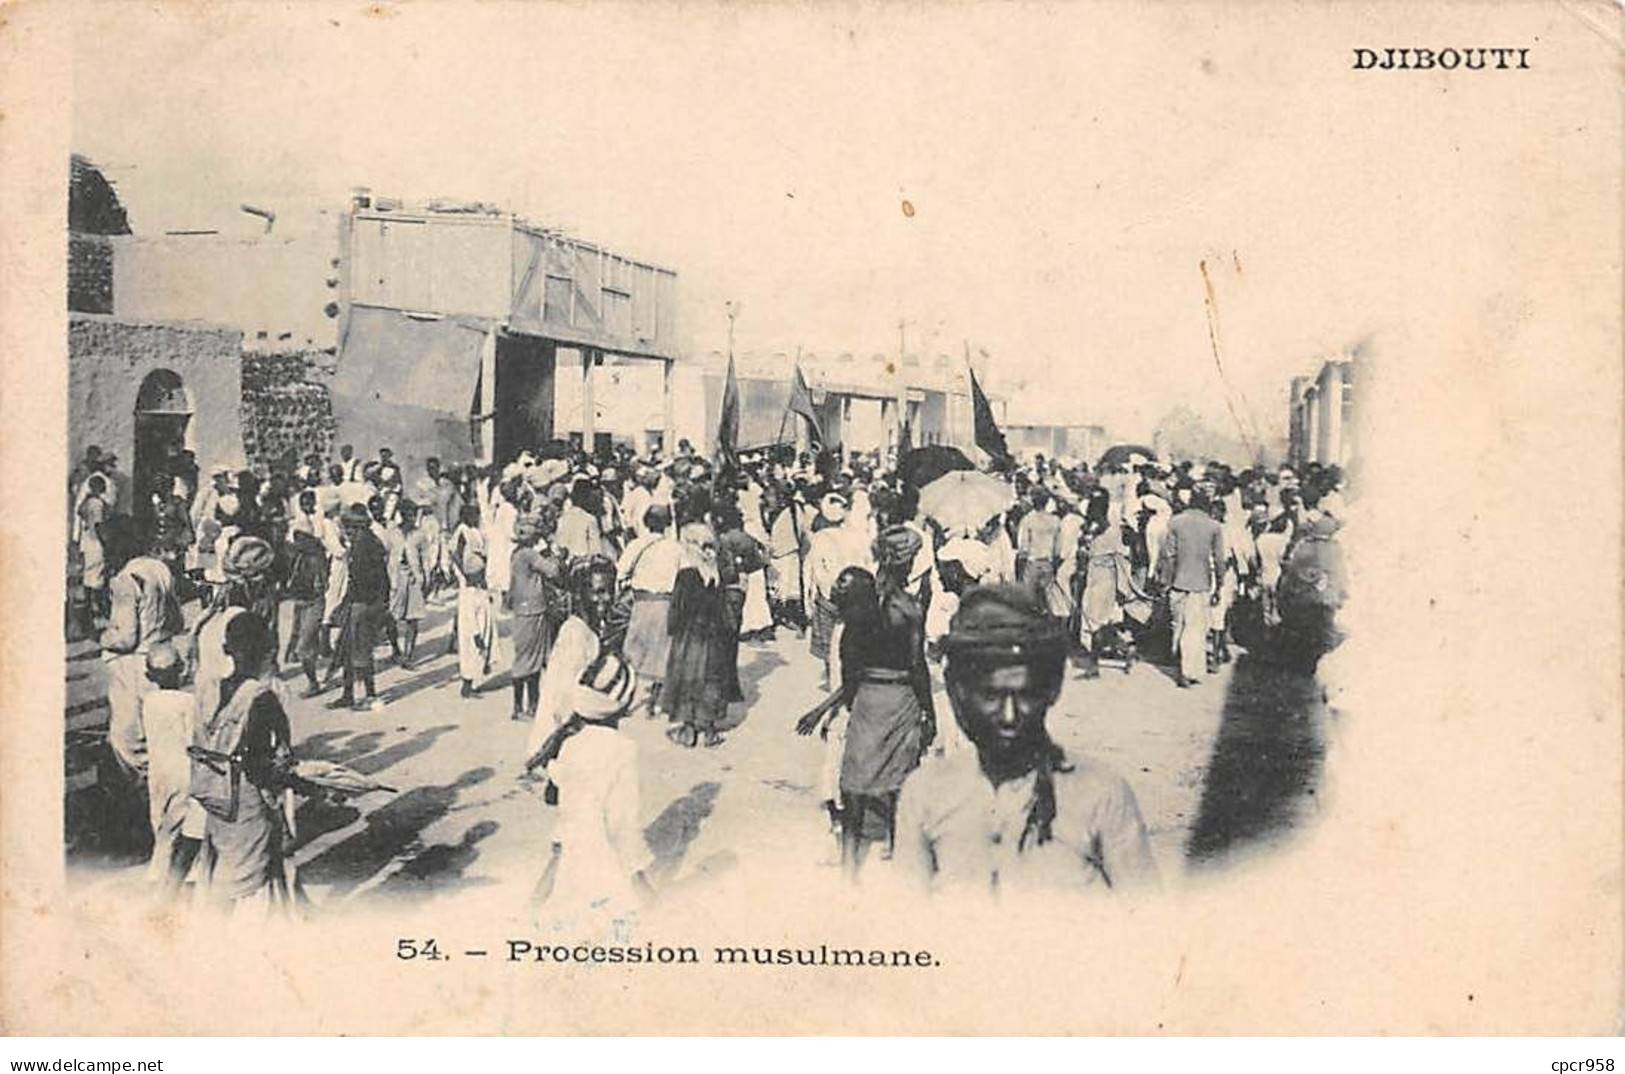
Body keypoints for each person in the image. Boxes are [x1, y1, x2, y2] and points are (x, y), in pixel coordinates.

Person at [894, 585, 1158, 896]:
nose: (1008, 716)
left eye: (1024, 695)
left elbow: (1147, 921)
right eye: (991, 696)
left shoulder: (1099, 794)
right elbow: (909, 922)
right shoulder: (925, 794)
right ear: (958, 693)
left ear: (1051, 690)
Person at [523, 649, 652, 936]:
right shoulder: (623, 749)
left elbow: (564, 796)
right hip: (602, 855)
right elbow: (622, 823)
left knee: (549, 911)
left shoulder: (571, 742)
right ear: (625, 705)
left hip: (568, 843)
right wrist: (639, 875)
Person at [190, 613, 311, 913]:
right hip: (246, 800)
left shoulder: (207, 690)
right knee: (251, 882)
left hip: (215, 794)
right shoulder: (261, 698)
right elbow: (259, 768)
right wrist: (299, 779)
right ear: (266, 650)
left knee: (222, 870)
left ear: (226, 649)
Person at [833, 525, 936, 876]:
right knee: (898, 779)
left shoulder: (861, 601)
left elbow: (849, 658)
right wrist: (929, 712)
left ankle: (849, 863)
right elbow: (917, 664)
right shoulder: (909, 608)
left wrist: (852, 697)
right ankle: (896, 849)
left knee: (855, 780)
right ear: (909, 564)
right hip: (900, 696)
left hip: (869, 696)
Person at [527, 557, 617, 747]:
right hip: (567, 742)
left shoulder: (587, 630)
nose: (607, 598)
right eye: (598, 592)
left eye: (610, 591)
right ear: (579, 594)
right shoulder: (575, 635)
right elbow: (562, 700)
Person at [663, 522, 734, 748]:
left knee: (688, 677)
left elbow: (677, 607)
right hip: (713, 635)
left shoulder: (686, 575)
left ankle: (689, 728)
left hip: (690, 635)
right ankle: (709, 728)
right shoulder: (716, 573)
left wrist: (671, 627)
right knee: (711, 678)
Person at [616, 503, 683, 718]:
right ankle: (653, 703)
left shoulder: (636, 545)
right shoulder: (676, 548)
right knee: (661, 654)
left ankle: (627, 698)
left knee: (635, 653)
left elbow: (621, 571)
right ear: (667, 523)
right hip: (665, 603)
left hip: (640, 603)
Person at [1156, 488, 1226, 688]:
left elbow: (1168, 555)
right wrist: (1219, 585)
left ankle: (1180, 665)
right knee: (1196, 629)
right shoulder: (1214, 526)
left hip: (1178, 581)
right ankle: (1189, 671)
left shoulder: (1176, 522)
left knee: (1178, 625)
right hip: (1201, 582)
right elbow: (1219, 560)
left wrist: (1165, 582)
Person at [139, 639, 194, 888]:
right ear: (181, 670)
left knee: (160, 819)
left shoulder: (149, 701)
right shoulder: (188, 702)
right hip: (182, 769)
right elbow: (193, 739)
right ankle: (171, 873)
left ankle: (158, 869)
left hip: (158, 769)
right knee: (180, 823)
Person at [508, 514, 566, 722]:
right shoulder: (530, 555)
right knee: (528, 660)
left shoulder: (517, 553)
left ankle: (530, 705)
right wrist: (557, 554)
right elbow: (552, 571)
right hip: (532, 608)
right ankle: (521, 707)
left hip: (523, 607)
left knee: (529, 658)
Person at [331, 502, 388, 711]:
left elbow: (366, 580)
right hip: (358, 603)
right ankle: (348, 694)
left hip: (363, 604)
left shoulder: (364, 545)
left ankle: (370, 696)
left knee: (361, 653)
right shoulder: (365, 542)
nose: (347, 532)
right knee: (348, 651)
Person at [281, 493, 329, 697]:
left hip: (312, 601)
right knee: (306, 642)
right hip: (301, 601)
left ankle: (313, 683)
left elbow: (321, 585)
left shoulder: (315, 559)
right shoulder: (297, 555)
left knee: (303, 647)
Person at [451, 502, 497, 698]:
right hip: (469, 586)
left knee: (486, 632)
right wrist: (465, 576)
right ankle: (467, 684)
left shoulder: (475, 532)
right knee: (472, 636)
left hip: (479, 584)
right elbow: (456, 555)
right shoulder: (462, 532)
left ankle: (477, 677)